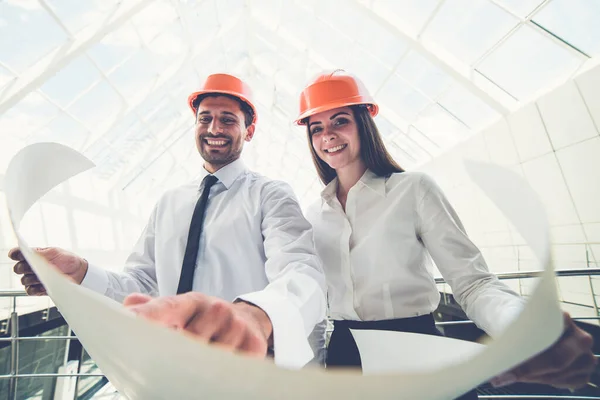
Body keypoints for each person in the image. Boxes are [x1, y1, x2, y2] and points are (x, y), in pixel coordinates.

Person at [294, 70, 596, 395]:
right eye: (316, 128)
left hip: (417, 350)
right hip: (346, 359)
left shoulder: (413, 190)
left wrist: (521, 324)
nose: (328, 136)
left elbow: (474, 283)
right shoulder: (314, 214)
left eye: (340, 121)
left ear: (364, 123)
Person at [10, 73, 327, 369]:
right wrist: (81, 272)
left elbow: (300, 270)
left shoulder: (269, 195)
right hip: (169, 366)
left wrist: (258, 317)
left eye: (227, 120)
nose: (214, 128)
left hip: (242, 368)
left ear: (249, 131)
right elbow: (142, 286)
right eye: (205, 118)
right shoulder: (169, 202)